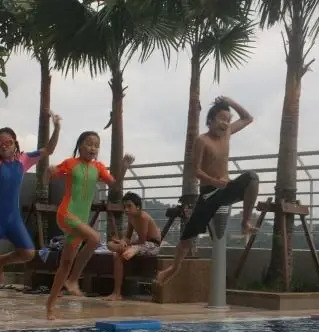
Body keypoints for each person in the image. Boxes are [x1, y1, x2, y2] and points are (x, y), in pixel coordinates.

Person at [0, 110, 62, 326]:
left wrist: (56, 127)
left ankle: (2, 261)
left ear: (15, 143)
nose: (3, 146)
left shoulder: (24, 160)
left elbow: (49, 149)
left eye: (7, 142)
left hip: (13, 220)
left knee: (28, 253)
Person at [156, 96, 259, 286]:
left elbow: (247, 118)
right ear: (210, 121)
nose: (225, 123)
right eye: (221, 119)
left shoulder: (227, 133)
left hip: (225, 189)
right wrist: (213, 181)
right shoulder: (202, 141)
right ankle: (173, 269)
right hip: (209, 193)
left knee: (252, 178)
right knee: (188, 237)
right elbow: (195, 170)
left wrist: (230, 101)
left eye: (228, 120)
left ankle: (245, 222)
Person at [45, 131, 134, 320]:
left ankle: (50, 305)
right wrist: (49, 172)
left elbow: (115, 186)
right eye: (89, 143)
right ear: (80, 145)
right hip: (66, 214)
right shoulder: (70, 163)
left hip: (80, 221)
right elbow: (50, 177)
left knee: (65, 264)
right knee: (95, 238)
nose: (93, 148)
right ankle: (73, 280)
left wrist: (124, 168)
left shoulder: (98, 168)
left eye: (96, 145)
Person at [103, 191, 162, 301]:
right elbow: (127, 237)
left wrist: (126, 244)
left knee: (119, 254)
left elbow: (142, 241)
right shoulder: (131, 218)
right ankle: (116, 293)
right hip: (139, 245)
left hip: (151, 245)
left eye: (129, 206)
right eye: (125, 207)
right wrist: (122, 242)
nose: (126, 209)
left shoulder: (143, 217)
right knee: (111, 246)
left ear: (138, 207)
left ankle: (117, 293)